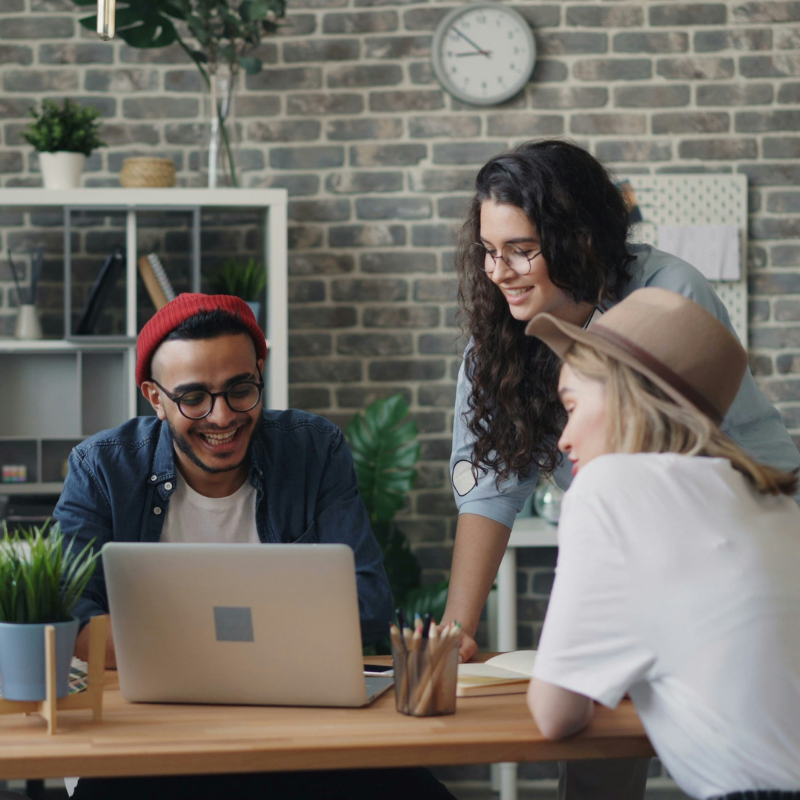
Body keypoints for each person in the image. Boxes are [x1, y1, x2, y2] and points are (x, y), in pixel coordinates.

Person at [443, 139, 800, 800]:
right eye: (488, 253)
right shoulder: (496, 338)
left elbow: (683, 462)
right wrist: (457, 634)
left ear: (574, 238)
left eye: (522, 249)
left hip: (724, 529)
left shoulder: (668, 298)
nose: (501, 271)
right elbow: (489, 486)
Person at [56, 293, 454, 800]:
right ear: (154, 398)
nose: (222, 417)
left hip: (301, 731)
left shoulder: (314, 448)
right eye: (193, 398)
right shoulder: (103, 468)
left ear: (260, 371)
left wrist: (173, 644)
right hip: (148, 737)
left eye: (240, 389)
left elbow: (369, 604)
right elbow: (69, 615)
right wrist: (244, 647)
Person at [526, 287, 800, 800]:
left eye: (572, 405)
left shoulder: (608, 488)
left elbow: (555, 713)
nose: (563, 439)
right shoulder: (775, 503)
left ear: (632, 399)